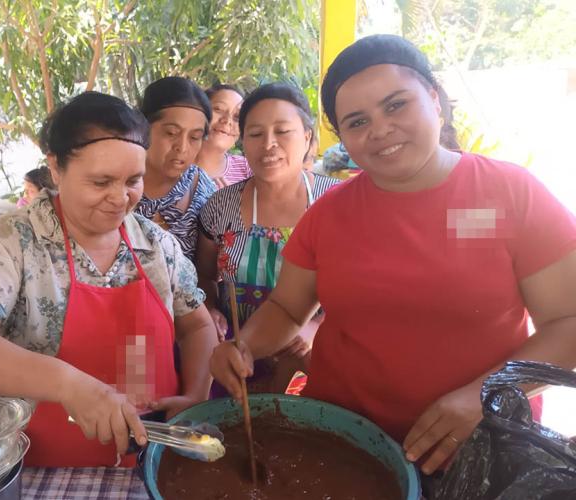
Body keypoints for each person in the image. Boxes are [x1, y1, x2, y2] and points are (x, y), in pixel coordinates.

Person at [209, 34, 576, 484]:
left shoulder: (511, 194)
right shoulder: (328, 213)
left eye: (396, 105)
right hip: (342, 444)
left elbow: (567, 323)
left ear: (435, 100)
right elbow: (287, 308)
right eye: (357, 121)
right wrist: (245, 346)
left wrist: (486, 396)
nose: (380, 129)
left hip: (476, 452)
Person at [0, 91, 217, 468]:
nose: (120, 198)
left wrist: (196, 394)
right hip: (40, 466)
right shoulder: (8, 242)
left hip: (151, 462)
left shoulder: (157, 245)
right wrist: (70, 385)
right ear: (55, 167)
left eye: (133, 180)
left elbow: (198, 326)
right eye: (101, 182)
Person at [197, 83, 339, 394]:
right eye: (255, 133)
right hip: (238, 355)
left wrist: (316, 326)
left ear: (307, 137)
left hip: (311, 356)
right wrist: (211, 308)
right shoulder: (220, 206)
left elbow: (361, 291)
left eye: (283, 131)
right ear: (243, 142)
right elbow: (204, 276)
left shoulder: (336, 202)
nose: (268, 144)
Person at [134, 76, 217, 261]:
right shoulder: (114, 183)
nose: (182, 147)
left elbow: (207, 272)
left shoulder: (204, 193)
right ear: (143, 127)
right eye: (171, 133)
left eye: (194, 137)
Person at [194, 83, 251, 188]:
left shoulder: (248, 170)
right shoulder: (173, 161)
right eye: (219, 109)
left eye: (237, 116)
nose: (227, 120)